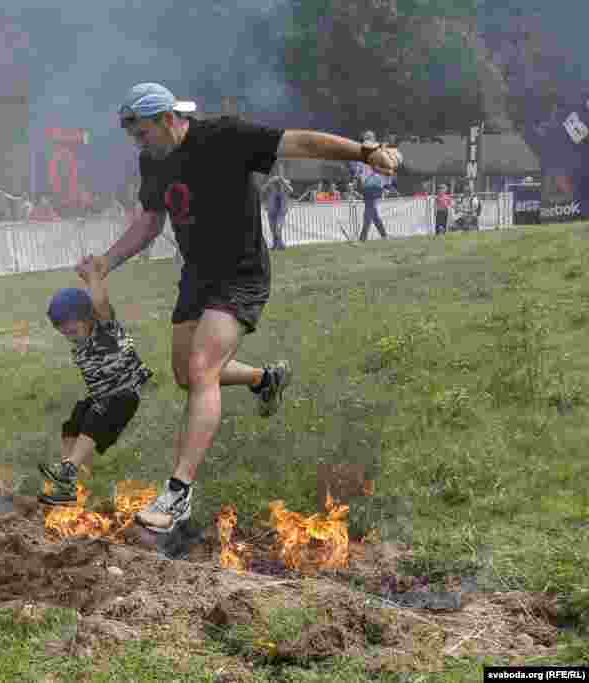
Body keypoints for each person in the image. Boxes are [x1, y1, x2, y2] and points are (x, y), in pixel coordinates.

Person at [78, 83, 400, 533]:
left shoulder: (225, 136)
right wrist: (107, 262)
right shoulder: (153, 159)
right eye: (134, 136)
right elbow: (150, 221)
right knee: (186, 374)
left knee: (202, 369)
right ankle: (265, 379)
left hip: (241, 274)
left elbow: (300, 143)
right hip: (197, 276)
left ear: (168, 119)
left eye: (142, 133)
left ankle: (177, 495)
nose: (138, 143)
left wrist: (365, 152)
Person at [38, 257, 153, 506]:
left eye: (72, 330)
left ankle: (68, 471)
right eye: (64, 332)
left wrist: (92, 276)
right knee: (75, 420)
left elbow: (100, 303)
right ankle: (68, 484)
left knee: (96, 413)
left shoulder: (106, 329)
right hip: (104, 398)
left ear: (89, 317)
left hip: (125, 396)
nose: (69, 336)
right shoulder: (79, 346)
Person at [351, 132, 390, 241]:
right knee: (372, 212)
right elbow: (358, 170)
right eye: (365, 139)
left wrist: (387, 186)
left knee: (368, 210)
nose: (366, 141)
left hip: (376, 184)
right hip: (366, 185)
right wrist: (354, 182)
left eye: (368, 138)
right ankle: (384, 235)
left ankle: (362, 238)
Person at [261, 162, 293, 250]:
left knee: (278, 228)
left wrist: (282, 180)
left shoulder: (285, 182)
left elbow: (291, 190)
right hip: (271, 209)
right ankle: (277, 244)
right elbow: (262, 190)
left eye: (280, 170)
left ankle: (279, 244)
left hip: (281, 210)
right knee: (272, 229)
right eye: (277, 170)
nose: (278, 172)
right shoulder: (270, 182)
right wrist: (270, 182)